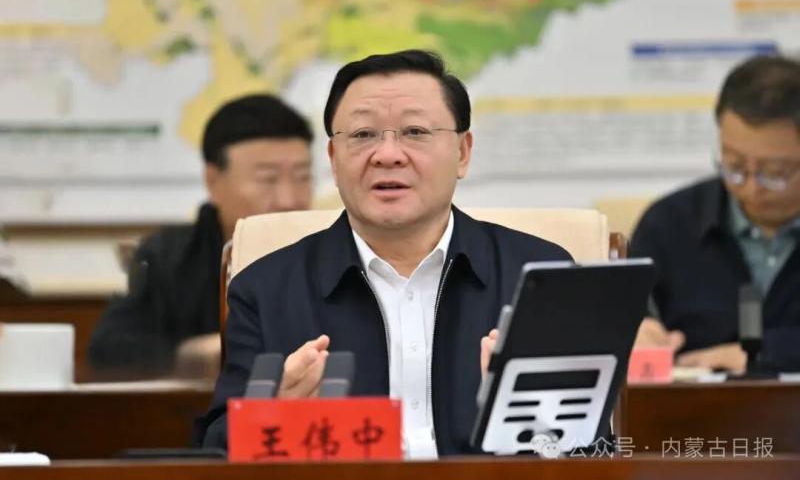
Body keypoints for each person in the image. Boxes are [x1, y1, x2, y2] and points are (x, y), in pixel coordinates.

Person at [200, 50, 572, 457]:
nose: (388, 154)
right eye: (363, 135)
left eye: (415, 131)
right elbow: (215, 449)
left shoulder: (541, 276)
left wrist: (532, 426)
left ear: (462, 153)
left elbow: (592, 447)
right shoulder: (265, 290)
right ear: (334, 160)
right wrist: (272, 419)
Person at [88, 94, 314, 379]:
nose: (289, 200)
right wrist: (192, 355)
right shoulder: (168, 256)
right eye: (268, 179)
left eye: (303, 177)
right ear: (213, 181)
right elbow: (108, 350)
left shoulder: (336, 251)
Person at [631, 54, 800, 374]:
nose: (751, 188)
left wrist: (766, 354)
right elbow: (629, 316)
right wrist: (639, 332)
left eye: (775, 172)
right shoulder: (668, 224)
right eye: (734, 165)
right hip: (694, 404)